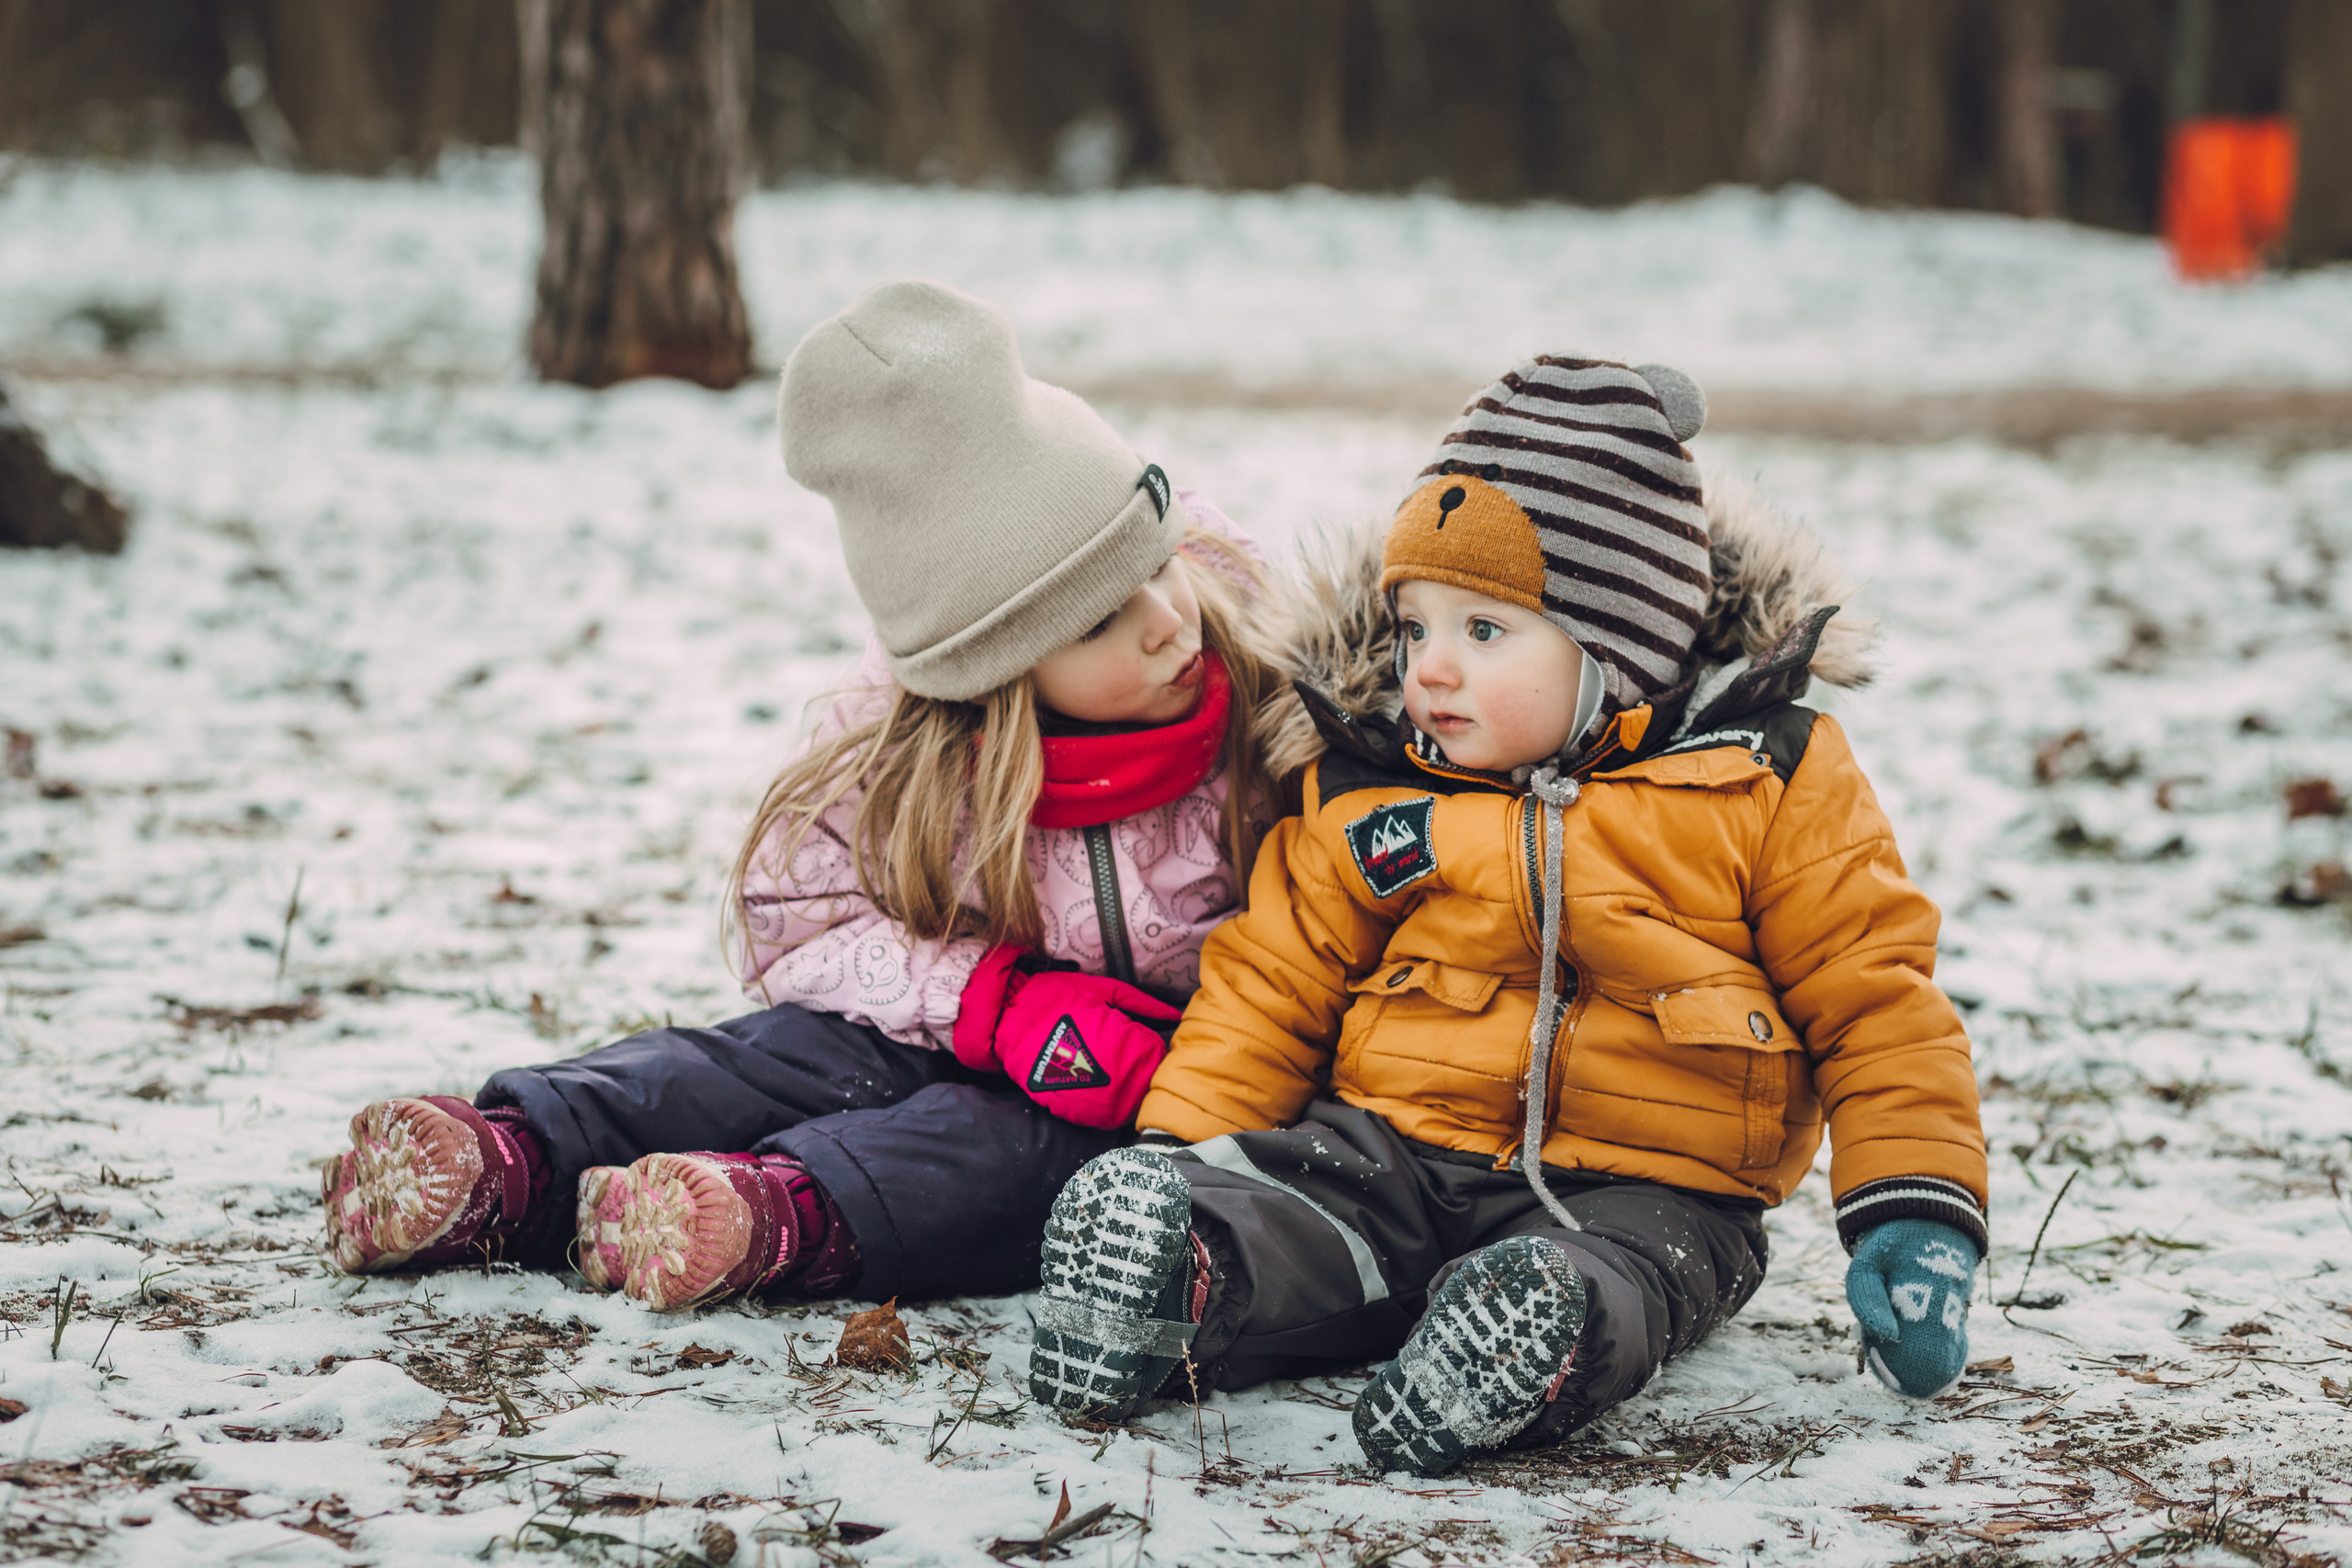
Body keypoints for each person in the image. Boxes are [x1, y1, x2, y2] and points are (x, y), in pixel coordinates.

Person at [1025, 355, 1988, 1476]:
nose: (1430, 668)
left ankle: (1527, 1343)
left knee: (1632, 1276)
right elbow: (1271, 983)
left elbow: (1874, 1001)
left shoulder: (1764, 779)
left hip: (1656, 1182)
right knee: (1304, 1201)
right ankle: (1175, 1267)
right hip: (1397, 1149)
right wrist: (1188, 1152)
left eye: (1484, 633)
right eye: (1415, 626)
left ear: (1615, 649)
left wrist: (1913, 1214)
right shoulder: (1372, 784)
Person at [319, 279, 1301, 1312]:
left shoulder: (1275, 688)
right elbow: (795, 925)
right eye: (1098, 621)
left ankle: (773, 1214)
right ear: (994, 672)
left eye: (1156, 567)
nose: (1164, 621)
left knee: (1007, 1153)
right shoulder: (897, 745)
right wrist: (992, 1003)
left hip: (1156, 1084)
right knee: (781, 1058)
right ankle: (509, 1162)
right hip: (942, 1021)